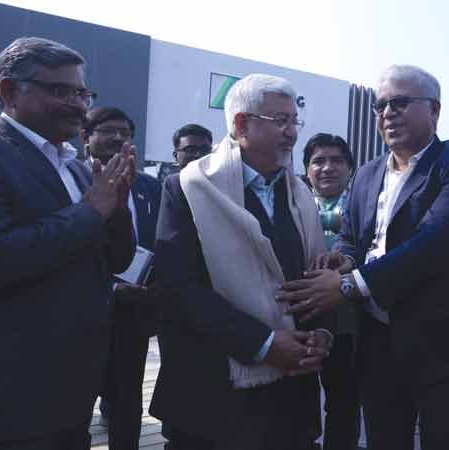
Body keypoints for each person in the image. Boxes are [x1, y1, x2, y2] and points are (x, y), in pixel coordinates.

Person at [277, 64, 449, 450]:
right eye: (381, 106)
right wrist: (341, 259)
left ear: (434, 110)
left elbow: (438, 241)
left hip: (446, 345)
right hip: (378, 341)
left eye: (400, 102)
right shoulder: (367, 174)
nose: (388, 113)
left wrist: (350, 285)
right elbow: (351, 237)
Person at [151, 73, 333, 450]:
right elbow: (178, 287)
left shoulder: (300, 195)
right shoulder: (189, 187)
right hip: (213, 397)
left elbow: (310, 280)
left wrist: (320, 335)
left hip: (290, 397)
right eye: (279, 120)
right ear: (240, 124)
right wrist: (264, 343)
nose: (291, 133)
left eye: (294, 121)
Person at [0, 37, 135, 449]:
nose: (77, 105)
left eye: (82, 93)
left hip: (73, 389)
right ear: (9, 92)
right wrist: (91, 211)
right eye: (60, 91)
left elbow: (115, 261)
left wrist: (117, 208)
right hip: (7, 396)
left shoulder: (80, 170)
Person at [80, 106, 162, 450]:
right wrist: (113, 288)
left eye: (125, 133)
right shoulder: (72, 179)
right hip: (82, 311)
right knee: (78, 398)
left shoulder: (149, 187)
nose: (117, 138)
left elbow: (161, 240)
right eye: (108, 131)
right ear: (86, 139)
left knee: (127, 397)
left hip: (134, 311)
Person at [302, 133, 360, 450]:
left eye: (337, 161)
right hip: (300, 318)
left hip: (349, 322)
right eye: (319, 161)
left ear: (350, 168)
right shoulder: (291, 201)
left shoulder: (365, 204)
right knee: (297, 399)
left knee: (343, 401)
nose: (328, 168)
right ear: (307, 169)